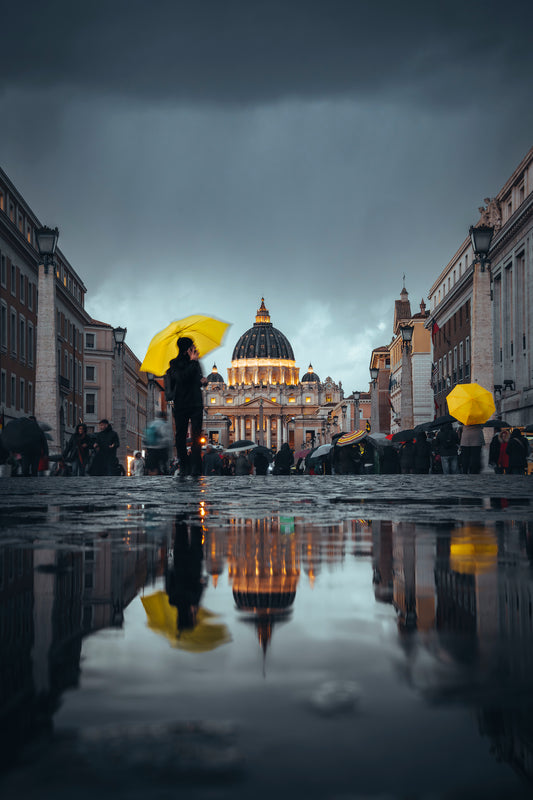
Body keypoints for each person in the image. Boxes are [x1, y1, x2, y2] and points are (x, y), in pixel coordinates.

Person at [166, 337, 206, 477]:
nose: (195, 348)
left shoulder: (196, 363)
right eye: (192, 346)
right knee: (180, 437)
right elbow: (182, 378)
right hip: (182, 403)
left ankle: (195, 467)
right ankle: (184, 465)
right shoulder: (174, 363)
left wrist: (203, 381)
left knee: (197, 436)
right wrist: (193, 362)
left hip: (196, 403)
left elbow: (197, 379)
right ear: (186, 349)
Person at [144, 411, 172, 475]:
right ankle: (164, 473)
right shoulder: (164, 424)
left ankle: (156, 475)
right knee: (164, 462)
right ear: (163, 416)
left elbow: (146, 436)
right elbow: (166, 436)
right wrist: (169, 446)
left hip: (151, 448)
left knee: (155, 465)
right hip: (161, 447)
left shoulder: (151, 424)